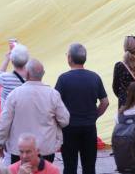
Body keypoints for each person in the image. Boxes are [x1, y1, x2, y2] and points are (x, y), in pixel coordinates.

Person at [0, 59, 70, 163]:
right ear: (43, 74)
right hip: (45, 148)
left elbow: (5, 122)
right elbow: (65, 120)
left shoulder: (14, 94)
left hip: (20, 150)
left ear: (27, 73)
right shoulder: (53, 94)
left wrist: (0, 142)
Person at [54, 44, 109, 174]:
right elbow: (105, 102)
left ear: (70, 59)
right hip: (89, 127)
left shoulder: (63, 79)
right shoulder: (94, 77)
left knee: (70, 167)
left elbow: (54, 103)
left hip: (69, 129)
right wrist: (94, 115)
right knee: (89, 167)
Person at [112, 35, 135, 107]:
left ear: (124, 47)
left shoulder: (119, 66)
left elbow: (115, 88)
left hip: (125, 105)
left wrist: (124, 95)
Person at [0, 41, 29, 107]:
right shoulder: (31, 77)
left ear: (12, 61)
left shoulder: (5, 78)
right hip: (25, 112)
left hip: (9, 114)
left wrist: (7, 59)